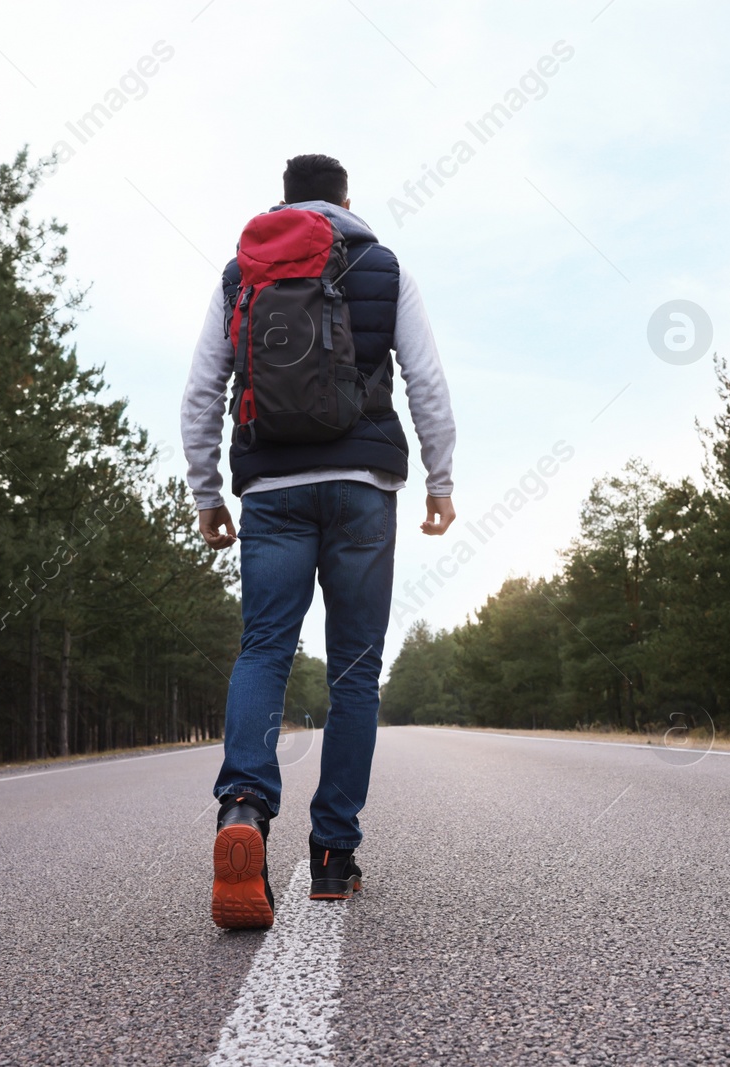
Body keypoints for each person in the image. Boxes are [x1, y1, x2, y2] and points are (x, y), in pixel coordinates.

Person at [181, 153, 456, 929]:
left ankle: (243, 808)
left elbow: (203, 388)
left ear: (284, 201)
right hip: (365, 485)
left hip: (270, 488)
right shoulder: (381, 263)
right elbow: (427, 379)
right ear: (346, 198)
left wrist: (208, 493)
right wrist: (441, 480)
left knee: (264, 648)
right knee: (356, 670)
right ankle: (333, 854)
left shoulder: (244, 272)